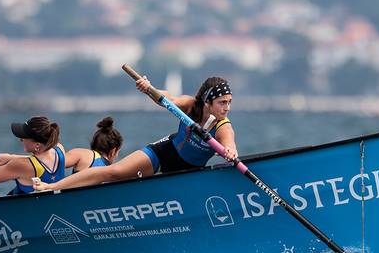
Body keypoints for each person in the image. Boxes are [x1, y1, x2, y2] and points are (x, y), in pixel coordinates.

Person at [35, 75, 237, 191]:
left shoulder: (223, 127)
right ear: (207, 102)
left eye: (229, 102)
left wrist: (230, 153)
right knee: (114, 173)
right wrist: (150, 89)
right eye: (222, 102)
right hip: (165, 151)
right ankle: (52, 187)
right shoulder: (192, 105)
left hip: (188, 170)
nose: (227, 107)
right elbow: (168, 99)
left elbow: (230, 145)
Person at [0, 116, 65, 195]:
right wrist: (11, 157)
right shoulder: (59, 150)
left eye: (24, 137)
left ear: (37, 145)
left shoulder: (20, 165)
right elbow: (40, 161)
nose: (21, 139)